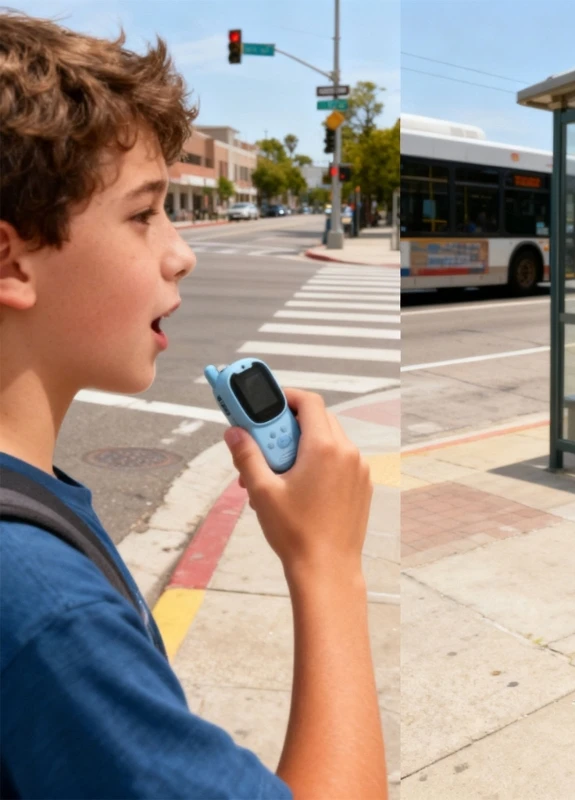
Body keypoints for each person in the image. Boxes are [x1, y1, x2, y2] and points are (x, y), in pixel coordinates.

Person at [0, 12, 386, 799]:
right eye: (143, 214)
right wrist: (329, 564)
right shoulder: (44, 608)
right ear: (10, 259)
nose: (182, 252)